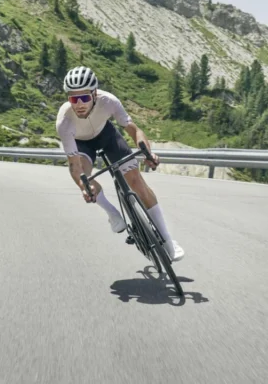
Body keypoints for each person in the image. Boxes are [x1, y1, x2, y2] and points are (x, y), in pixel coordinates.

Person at [55, 66, 184, 262]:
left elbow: (134, 130)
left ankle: (167, 240)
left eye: (84, 98)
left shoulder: (109, 101)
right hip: (82, 144)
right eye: (73, 99)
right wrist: (84, 186)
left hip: (106, 136)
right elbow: (74, 165)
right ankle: (112, 212)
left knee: (137, 182)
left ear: (94, 94)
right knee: (86, 179)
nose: (79, 104)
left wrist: (147, 153)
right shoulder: (64, 121)